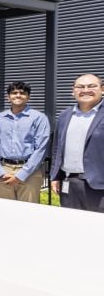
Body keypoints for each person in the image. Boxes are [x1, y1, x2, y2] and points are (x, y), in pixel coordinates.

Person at [50, 74, 104, 212]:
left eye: (91, 86)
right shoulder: (64, 116)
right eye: (80, 87)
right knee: (72, 227)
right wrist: (55, 176)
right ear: (73, 91)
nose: (85, 90)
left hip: (99, 185)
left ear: (102, 89)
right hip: (69, 182)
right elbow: (57, 148)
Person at [0, 82, 50, 203]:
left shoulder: (39, 118)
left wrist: (21, 175)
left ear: (28, 97)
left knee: (28, 211)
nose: (18, 95)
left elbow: (41, 149)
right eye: (14, 93)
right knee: (4, 210)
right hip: (3, 170)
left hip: (29, 171)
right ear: (8, 97)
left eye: (22, 93)